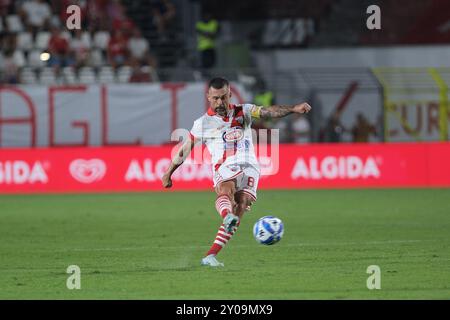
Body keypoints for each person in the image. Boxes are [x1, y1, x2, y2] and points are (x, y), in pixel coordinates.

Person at [161, 77, 312, 267]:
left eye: (223, 97)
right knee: (226, 190)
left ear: (230, 94)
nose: (219, 102)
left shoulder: (244, 111)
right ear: (208, 96)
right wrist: (169, 173)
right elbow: (185, 148)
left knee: (241, 204)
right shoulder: (202, 123)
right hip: (225, 164)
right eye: (215, 98)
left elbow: (268, 111)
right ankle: (226, 216)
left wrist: (293, 109)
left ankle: (210, 256)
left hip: (250, 166)